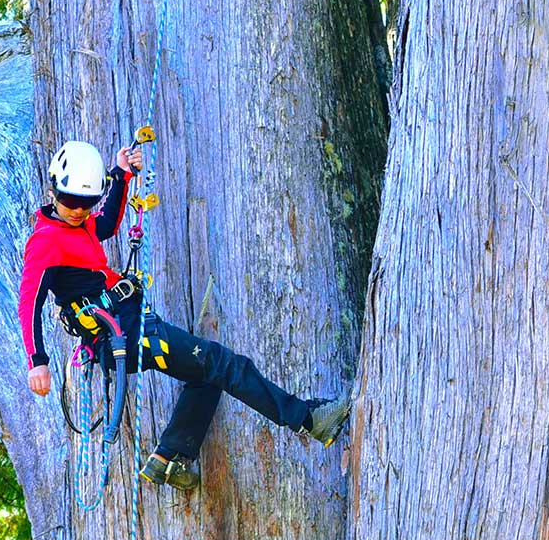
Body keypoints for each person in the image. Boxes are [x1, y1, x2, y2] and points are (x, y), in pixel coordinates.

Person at [20, 139, 350, 491]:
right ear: (54, 189)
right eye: (71, 202)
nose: (78, 210)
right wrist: (37, 361)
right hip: (123, 335)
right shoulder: (45, 242)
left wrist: (121, 176)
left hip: (129, 325)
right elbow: (29, 303)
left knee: (206, 374)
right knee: (224, 363)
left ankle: (170, 459)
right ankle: (310, 420)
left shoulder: (79, 224)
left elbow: (106, 226)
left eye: (86, 203)